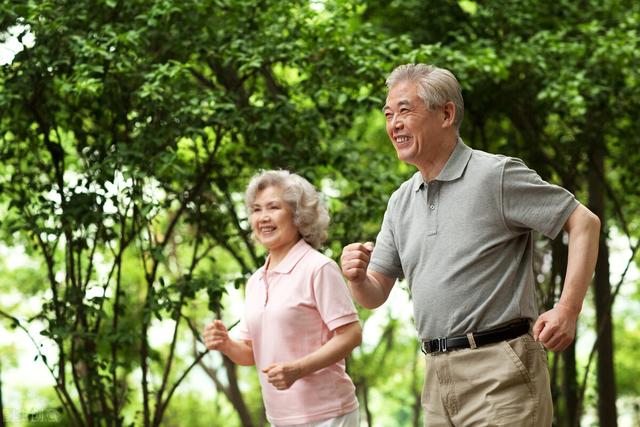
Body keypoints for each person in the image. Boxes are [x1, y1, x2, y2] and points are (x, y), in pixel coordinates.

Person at [340, 64, 600, 426]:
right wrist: (355, 277)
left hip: (501, 371)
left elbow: (584, 222)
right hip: (435, 376)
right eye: (388, 114)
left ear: (446, 113)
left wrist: (568, 309)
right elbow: (373, 294)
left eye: (405, 110)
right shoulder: (400, 201)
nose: (394, 124)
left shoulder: (495, 176)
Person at [204, 170, 361, 427]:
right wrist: (225, 343)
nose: (263, 218)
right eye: (256, 209)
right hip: (280, 418)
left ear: (298, 215)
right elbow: (250, 352)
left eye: (273, 207)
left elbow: (351, 334)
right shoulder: (255, 282)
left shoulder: (318, 268)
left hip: (329, 414)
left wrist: (298, 369)